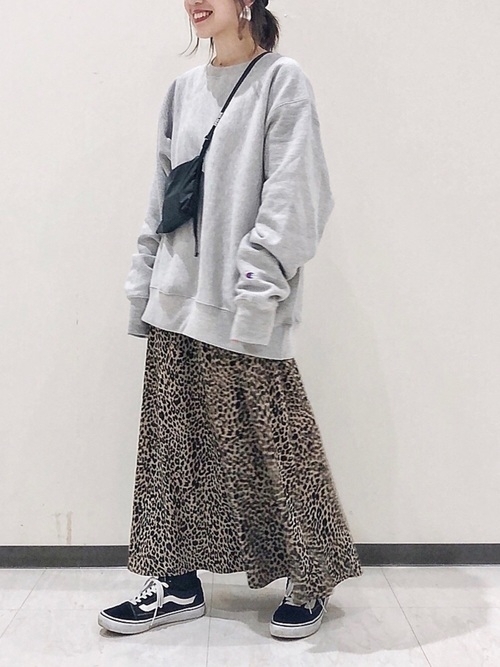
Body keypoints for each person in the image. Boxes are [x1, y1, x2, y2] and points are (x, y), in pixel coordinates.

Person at [98, 0, 363, 641]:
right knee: (173, 452)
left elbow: (297, 195)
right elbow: (161, 198)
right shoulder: (182, 91)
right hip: (175, 298)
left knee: (278, 445)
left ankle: (311, 575)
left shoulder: (281, 80)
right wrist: (144, 284)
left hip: (244, 301)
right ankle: (176, 582)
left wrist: (258, 290)